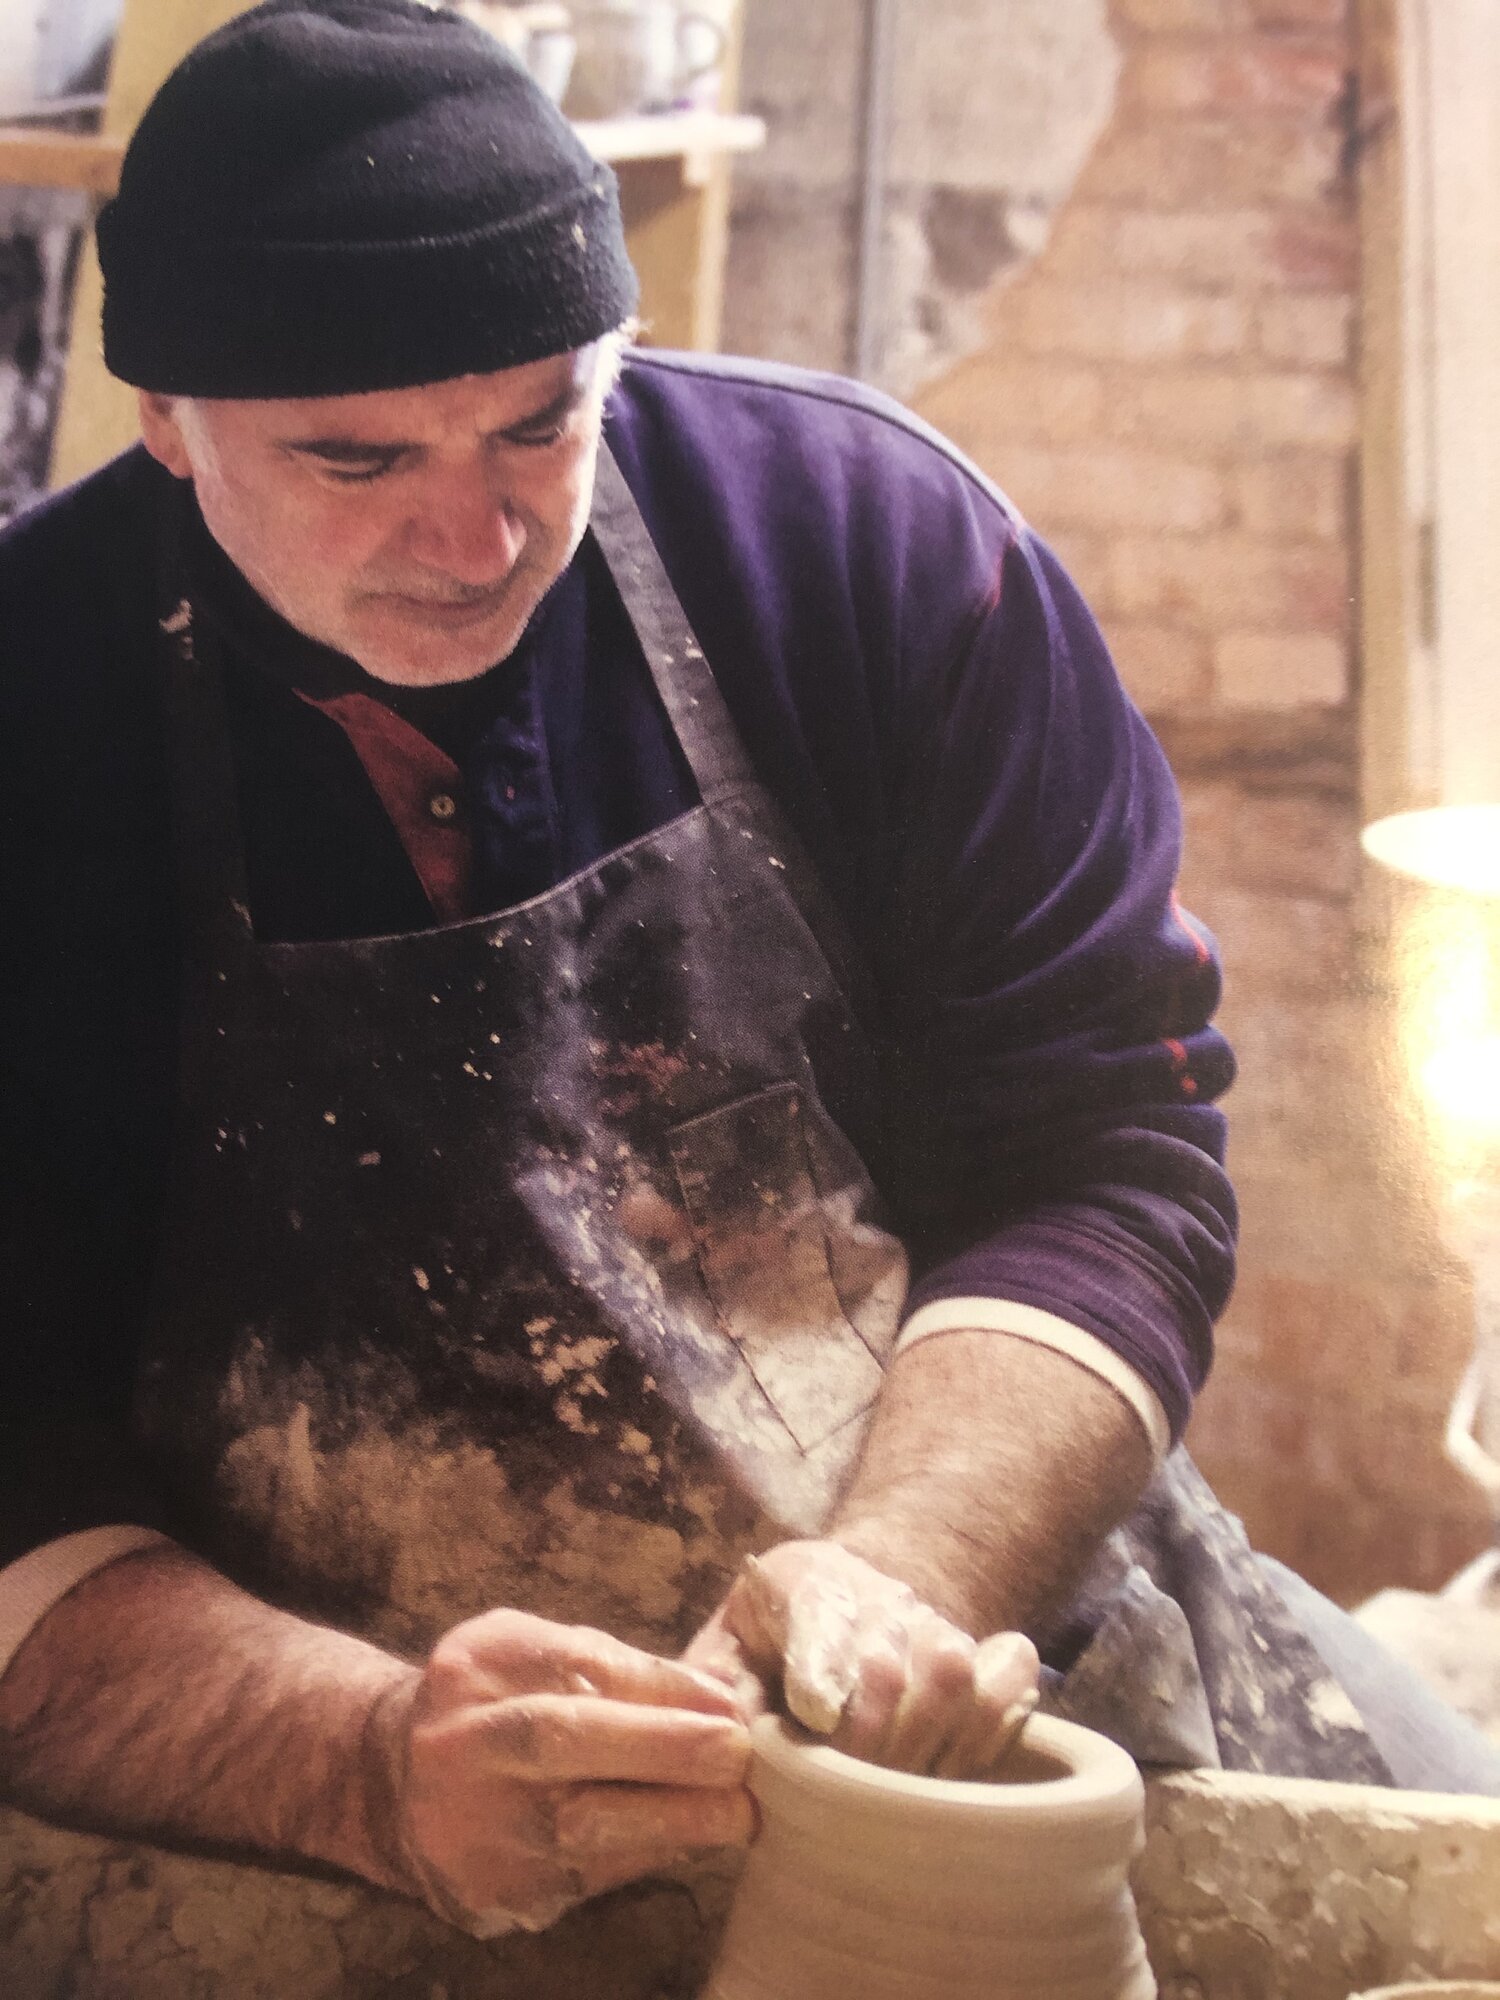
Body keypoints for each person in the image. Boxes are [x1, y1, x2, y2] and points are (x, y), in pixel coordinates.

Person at [1, 0, 1496, 1985]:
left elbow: (1104, 1150)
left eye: (542, 415)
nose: (475, 535)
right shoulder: (38, 714)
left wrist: (891, 1585)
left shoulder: (860, 541)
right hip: (359, 1759)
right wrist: (363, 1763)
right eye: (353, 458)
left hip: (987, 1641)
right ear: (167, 420)